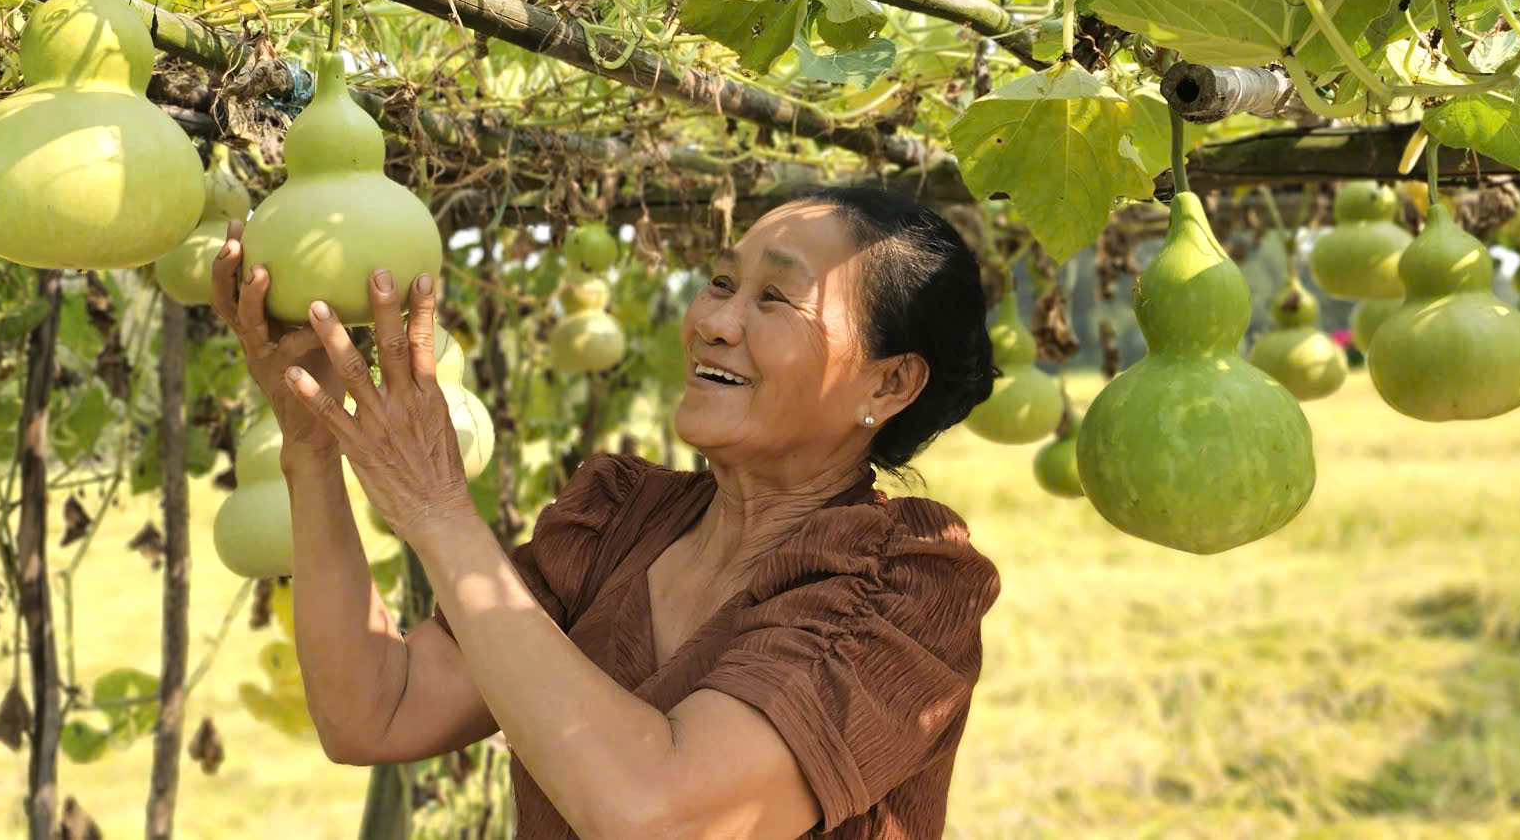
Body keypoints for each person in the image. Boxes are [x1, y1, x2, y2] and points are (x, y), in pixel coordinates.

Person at [210, 185, 1002, 839]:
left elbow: (656, 812)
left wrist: (438, 508)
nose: (716, 322)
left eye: (775, 299)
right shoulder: (622, 516)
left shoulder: (908, 587)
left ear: (889, 384)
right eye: (723, 283)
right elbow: (373, 708)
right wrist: (311, 445)